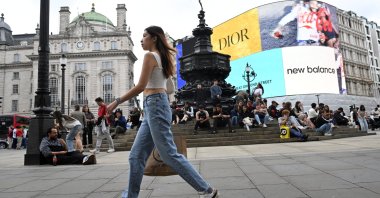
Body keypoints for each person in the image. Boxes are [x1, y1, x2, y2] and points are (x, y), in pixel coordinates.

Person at [106, 26, 218, 198]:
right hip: (156, 105)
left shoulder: (150, 56)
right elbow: (169, 87)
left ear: (154, 38)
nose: (141, 40)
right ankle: (130, 196)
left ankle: (206, 190)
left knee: (169, 154)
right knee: (136, 156)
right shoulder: (164, 58)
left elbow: (141, 86)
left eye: (144, 36)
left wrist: (117, 101)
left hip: (156, 105)